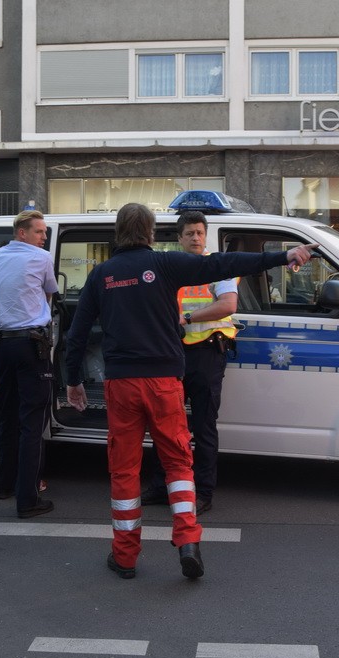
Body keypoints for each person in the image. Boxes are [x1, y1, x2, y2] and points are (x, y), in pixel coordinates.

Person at [64, 203, 317, 580]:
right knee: (179, 463)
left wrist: (72, 382)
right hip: (165, 382)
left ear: (119, 233)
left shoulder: (101, 275)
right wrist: (283, 255)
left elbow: (77, 334)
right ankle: (187, 541)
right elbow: (224, 266)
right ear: (151, 233)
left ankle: (125, 556)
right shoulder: (165, 265)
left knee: (124, 470)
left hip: (122, 385)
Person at [140, 210, 235, 515]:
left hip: (207, 354)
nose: (196, 238)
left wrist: (187, 318)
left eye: (200, 232)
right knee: (165, 424)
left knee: (204, 426)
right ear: (179, 238)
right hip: (172, 354)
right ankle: (160, 486)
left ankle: (203, 491)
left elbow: (227, 304)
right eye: (190, 233)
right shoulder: (168, 268)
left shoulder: (217, 266)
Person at [0, 210, 58, 519]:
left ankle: (4, 485)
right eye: (39, 232)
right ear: (21, 233)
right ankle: (28, 499)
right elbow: (48, 298)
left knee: (6, 417)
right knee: (32, 422)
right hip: (31, 346)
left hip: (1, 346)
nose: (43, 237)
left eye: (44, 232)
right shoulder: (42, 259)